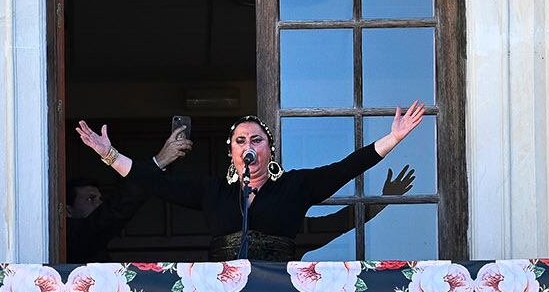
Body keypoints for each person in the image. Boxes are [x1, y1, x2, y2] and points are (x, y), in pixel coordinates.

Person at [74, 104, 426, 261]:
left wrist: (392, 139)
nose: (248, 146)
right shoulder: (212, 192)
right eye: (240, 141)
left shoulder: (295, 187)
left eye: (256, 140)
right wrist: (110, 154)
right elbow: (153, 183)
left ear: (269, 149)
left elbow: (345, 168)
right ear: (231, 152)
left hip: (280, 291)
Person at [67, 128, 191, 262]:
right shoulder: (73, 236)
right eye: (90, 199)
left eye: (99, 198)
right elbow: (117, 208)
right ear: (68, 210)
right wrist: (159, 161)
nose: (99, 203)